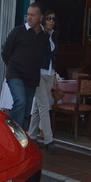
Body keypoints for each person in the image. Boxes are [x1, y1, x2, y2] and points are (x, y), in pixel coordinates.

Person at [1, 2, 49, 131]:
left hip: (32, 77)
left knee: (27, 109)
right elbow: (5, 52)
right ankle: (14, 135)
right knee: (20, 102)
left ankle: (23, 138)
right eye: (28, 14)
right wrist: (12, 67)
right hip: (16, 74)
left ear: (40, 17)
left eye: (33, 15)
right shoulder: (18, 31)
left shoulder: (44, 37)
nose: (29, 18)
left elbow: (45, 56)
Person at [28, 10, 58, 152]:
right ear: (43, 20)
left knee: (38, 107)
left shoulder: (53, 36)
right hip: (39, 74)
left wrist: (55, 74)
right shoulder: (40, 35)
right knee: (44, 106)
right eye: (48, 18)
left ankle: (32, 136)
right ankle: (48, 139)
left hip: (50, 74)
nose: (51, 21)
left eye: (53, 19)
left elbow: (53, 57)